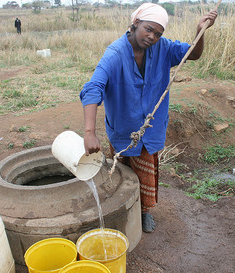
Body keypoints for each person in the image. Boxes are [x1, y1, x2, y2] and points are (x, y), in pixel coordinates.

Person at [80, 3, 217, 233]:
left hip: (149, 129)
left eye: (158, 33)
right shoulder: (115, 53)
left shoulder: (163, 48)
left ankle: (143, 212)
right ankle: (124, 208)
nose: (152, 37)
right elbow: (93, 88)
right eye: (148, 29)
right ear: (135, 24)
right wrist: (89, 132)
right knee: (121, 172)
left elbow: (192, 54)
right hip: (123, 129)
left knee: (145, 173)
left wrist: (200, 31)